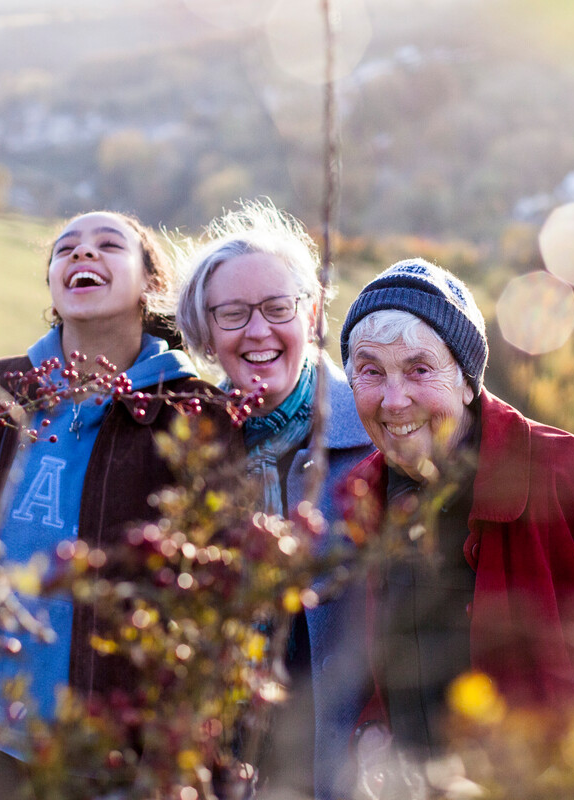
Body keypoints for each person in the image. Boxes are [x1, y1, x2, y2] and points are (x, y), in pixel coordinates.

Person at [0, 210, 240, 800]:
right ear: (55, 287)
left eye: (108, 245)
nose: (83, 255)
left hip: (103, 749)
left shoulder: (193, 411)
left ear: (151, 286)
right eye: (66, 250)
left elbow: (217, 593)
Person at [338, 257, 574, 787]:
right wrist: (372, 732)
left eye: (420, 369)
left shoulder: (569, 475)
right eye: (371, 371)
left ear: (466, 381)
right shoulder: (360, 499)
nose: (395, 400)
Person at [174, 200, 374, 800]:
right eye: (232, 314)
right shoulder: (186, 453)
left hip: (347, 769)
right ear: (207, 335)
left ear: (311, 313)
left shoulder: (376, 438)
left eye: (277, 308)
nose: (258, 331)